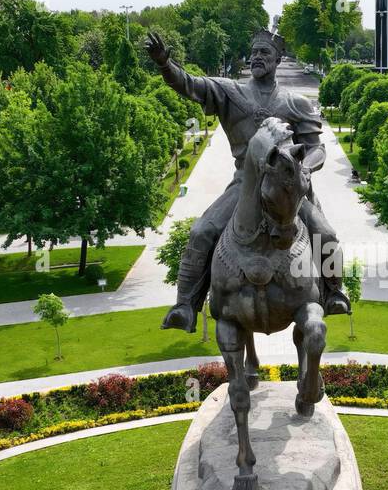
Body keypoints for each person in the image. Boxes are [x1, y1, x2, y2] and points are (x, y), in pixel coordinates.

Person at [147, 29, 350, 333]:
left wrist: (303, 170)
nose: (257, 57)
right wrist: (165, 64)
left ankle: (334, 293)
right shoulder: (230, 92)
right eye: (254, 52)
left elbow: (317, 149)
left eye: (264, 53)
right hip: (244, 184)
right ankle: (185, 305)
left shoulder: (296, 103)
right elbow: (189, 85)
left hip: (286, 186)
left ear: (278, 60)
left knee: (326, 232)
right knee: (202, 231)